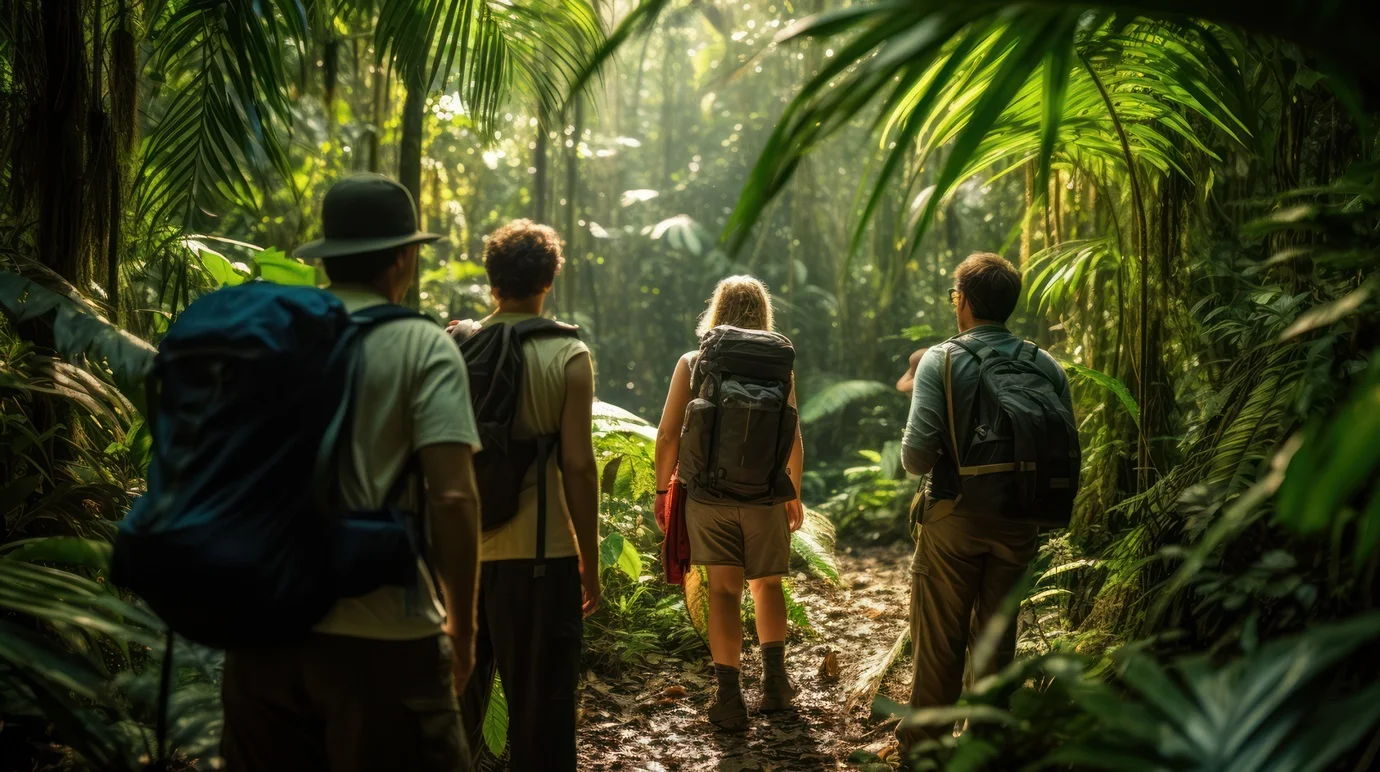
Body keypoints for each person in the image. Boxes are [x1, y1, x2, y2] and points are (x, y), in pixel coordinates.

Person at [221, 174, 484, 772]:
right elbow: (452, 496)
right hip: (383, 636)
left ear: (330, 259)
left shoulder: (264, 338)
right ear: (402, 258)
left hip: (261, 630)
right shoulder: (422, 346)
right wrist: (463, 627)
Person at [896, 252, 1075, 748]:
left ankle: (927, 747)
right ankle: (987, 746)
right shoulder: (1045, 363)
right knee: (998, 638)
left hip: (955, 516)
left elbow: (915, 458)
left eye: (955, 296)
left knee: (940, 640)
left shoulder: (942, 358)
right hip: (1021, 518)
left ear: (966, 302)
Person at [455, 220, 600, 771]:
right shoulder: (568, 354)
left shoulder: (455, 346)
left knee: (454, 718)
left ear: (492, 282)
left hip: (459, 554)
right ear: (548, 280)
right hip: (541, 559)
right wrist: (589, 560)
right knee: (542, 716)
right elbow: (579, 468)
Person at [654, 275, 806, 732]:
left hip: (708, 494)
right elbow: (793, 433)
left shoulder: (693, 361)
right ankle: (776, 687)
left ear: (715, 311)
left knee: (723, 589)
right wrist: (791, 492)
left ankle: (729, 699)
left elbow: (667, 434)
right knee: (768, 584)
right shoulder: (780, 363)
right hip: (765, 494)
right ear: (764, 314)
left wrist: (664, 492)